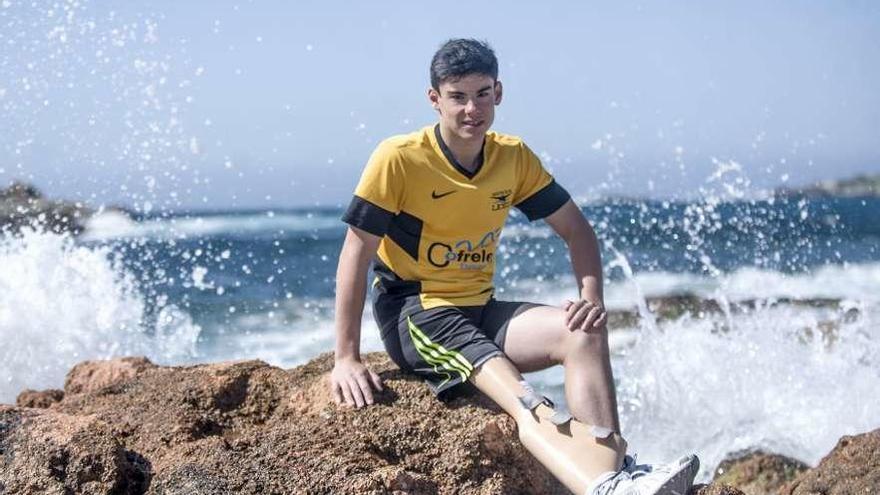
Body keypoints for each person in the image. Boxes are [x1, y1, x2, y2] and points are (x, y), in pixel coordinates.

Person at [329, 38, 699, 495]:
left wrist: (591, 299)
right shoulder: (400, 158)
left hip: (481, 308)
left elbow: (577, 229)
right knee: (525, 399)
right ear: (435, 100)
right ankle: (605, 486)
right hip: (420, 314)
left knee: (580, 332)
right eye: (458, 96)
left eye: (482, 94)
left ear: (498, 93)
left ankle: (617, 468)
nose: (472, 108)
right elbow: (356, 252)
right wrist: (346, 357)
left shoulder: (512, 157)